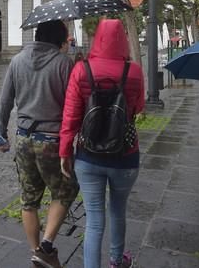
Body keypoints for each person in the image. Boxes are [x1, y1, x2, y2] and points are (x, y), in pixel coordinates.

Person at [59, 19, 145, 268]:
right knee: (118, 210)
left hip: (88, 155)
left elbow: (71, 115)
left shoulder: (81, 69)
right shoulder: (135, 71)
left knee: (94, 220)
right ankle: (117, 261)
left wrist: (65, 150)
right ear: (123, 39)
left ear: (98, 38)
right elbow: (139, 107)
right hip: (125, 155)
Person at [0, 20, 79, 268]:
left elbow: (4, 102)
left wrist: (0, 134)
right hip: (52, 141)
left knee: (29, 199)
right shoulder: (64, 63)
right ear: (59, 40)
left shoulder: (17, 60)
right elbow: (73, 106)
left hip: (23, 138)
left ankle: (35, 251)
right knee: (66, 190)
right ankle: (46, 246)